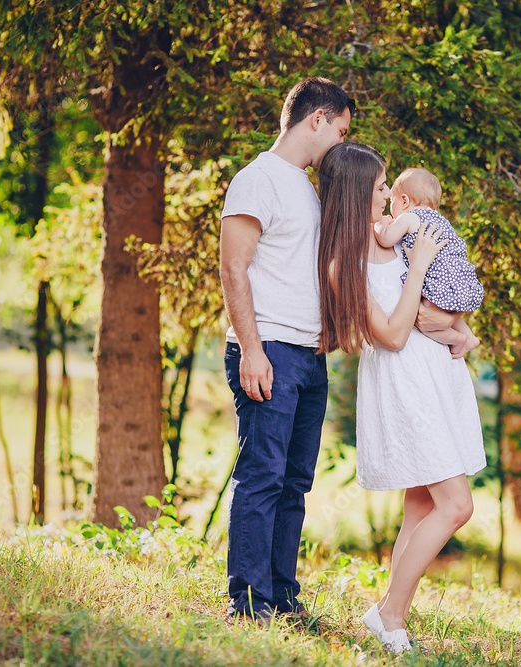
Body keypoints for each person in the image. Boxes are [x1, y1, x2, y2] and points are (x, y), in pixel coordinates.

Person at [317, 143, 487, 653]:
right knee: (457, 506)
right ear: (355, 195)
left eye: (389, 184)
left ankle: (393, 619)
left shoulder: (405, 235)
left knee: (420, 508)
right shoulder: (343, 259)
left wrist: (453, 325)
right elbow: (391, 334)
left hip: (438, 376)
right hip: (404, 384)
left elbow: (435, 300)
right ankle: (388, 611)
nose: (389, 194)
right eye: (379, 187)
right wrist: (421, 280)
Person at [219, 76, 355, 624]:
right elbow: (233, 267)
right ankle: (248, 604)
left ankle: (280, 596)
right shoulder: (258, 180)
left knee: (294, 481)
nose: (342, 144)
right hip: (268, 349)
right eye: (340, 130)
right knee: (263, 476)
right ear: (316, 119)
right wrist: (252, 350)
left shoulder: (305, 186)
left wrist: (331, 327)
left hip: (308, 357)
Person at [372, 167, 483, 358]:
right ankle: (469, 335)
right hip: (455, 278)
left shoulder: (409, 217)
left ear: (404, 200)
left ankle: (459, 339)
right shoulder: (442, 221)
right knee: (441, 306)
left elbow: (386, 240)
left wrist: (381, 224)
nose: (390, 206)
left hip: (434, 278)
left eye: (393, 201)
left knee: (423, 320)